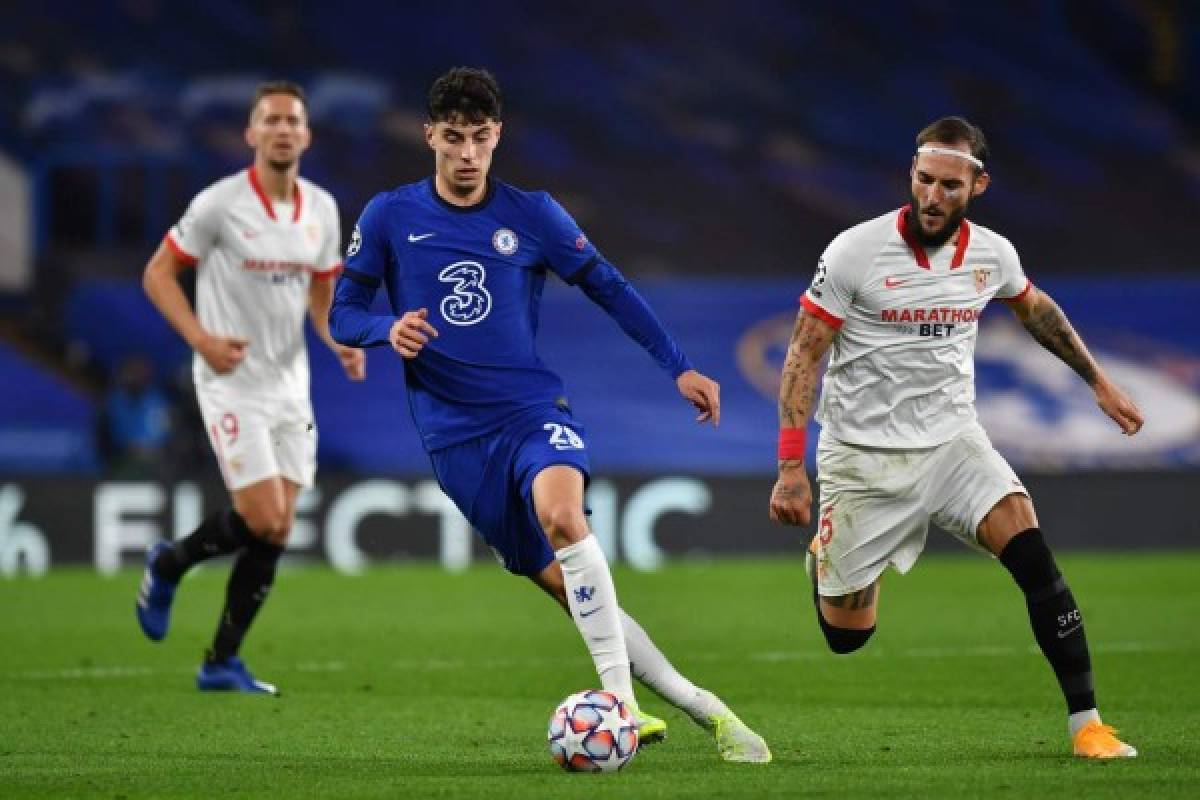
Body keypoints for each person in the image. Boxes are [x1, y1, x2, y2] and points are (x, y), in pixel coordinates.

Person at [330, 67, 770, 763]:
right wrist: (386, 329)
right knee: (577, 593)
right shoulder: (390, 216)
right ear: (429, 137)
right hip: (455, 440)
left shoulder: (533, 214)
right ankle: (701, 705)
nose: (467, 154)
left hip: (532, 410)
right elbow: (342, 313)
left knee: (566, 518)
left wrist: (678, 364)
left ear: (498, 135)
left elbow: (610, 287)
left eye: (480, 137)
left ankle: (619, 709)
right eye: (453, 138)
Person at [768, 116, 1144, 759]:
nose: (934, 197)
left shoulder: (992, 255)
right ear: (910, 176)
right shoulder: (855, 251)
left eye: (949, 185)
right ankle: (827, 559)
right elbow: (804, 354)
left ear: (978, 185)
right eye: (924, 181)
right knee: (847, 634)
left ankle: (1088, 725)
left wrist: (1098, 383)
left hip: (952, 443)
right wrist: (791, 469)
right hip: (862, 457)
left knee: (1032, 553)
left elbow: (1036, 310)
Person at [135, 80, 365, 695]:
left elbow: (321, 288)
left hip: (291, 382)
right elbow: (158, 274)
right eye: (272, 120)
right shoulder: (220, 203)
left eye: (293, 120)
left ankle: (219, 661)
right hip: (230, 380)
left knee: (279, 529)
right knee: (264, 516)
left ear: (307, 135)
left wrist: (337, 337)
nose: (284, 129)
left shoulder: (320, 207)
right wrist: (201, 339)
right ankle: (168, 565)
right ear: (252, 133)